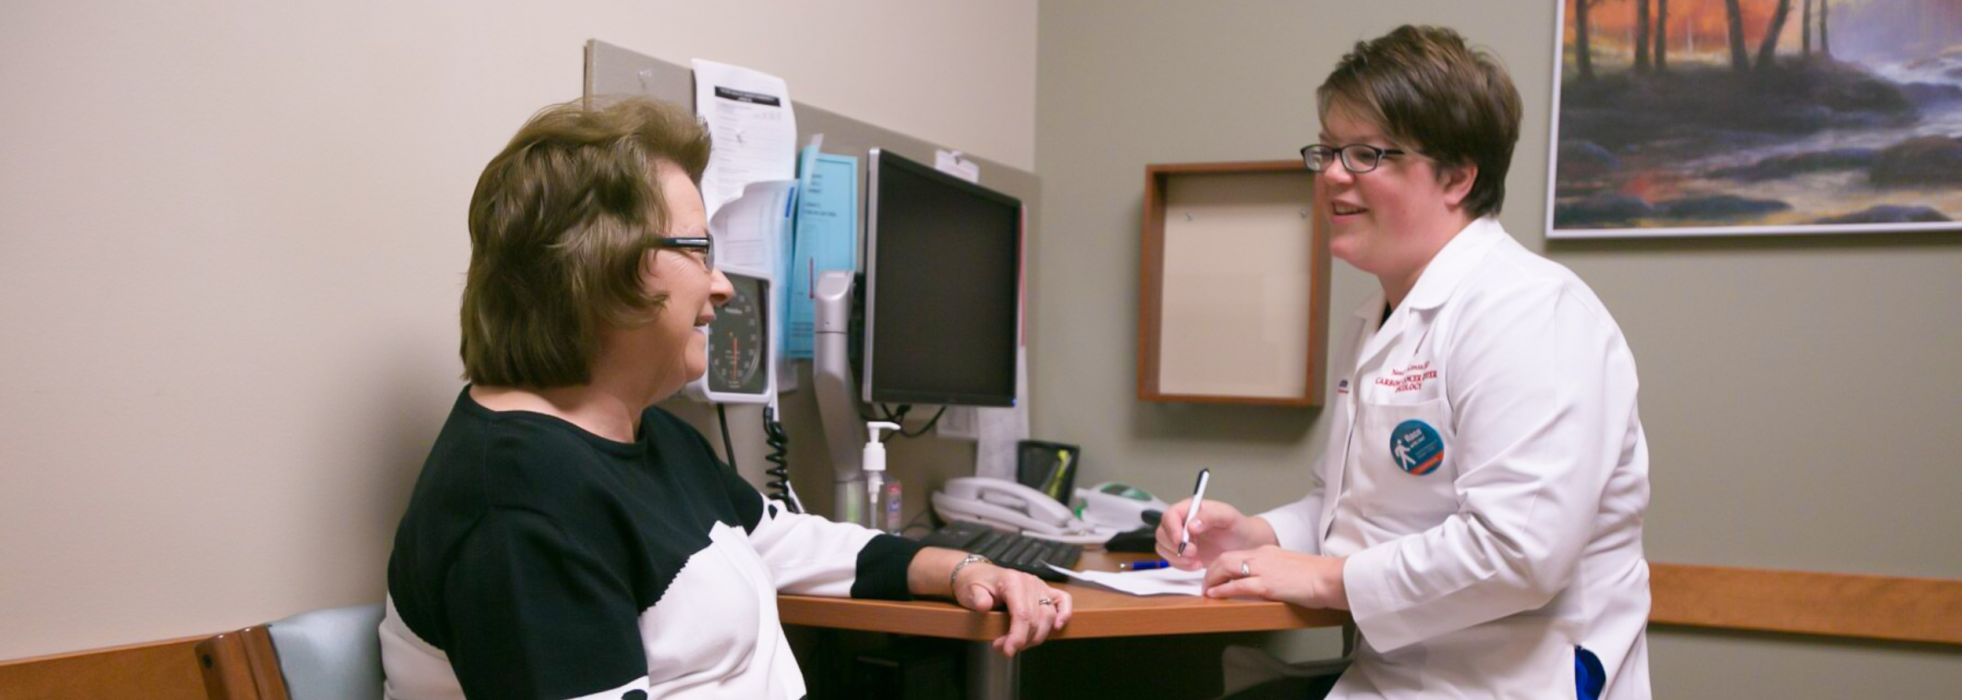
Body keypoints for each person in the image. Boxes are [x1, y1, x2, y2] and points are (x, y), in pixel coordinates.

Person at [379, 97, 1070, 700]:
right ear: (599, 262)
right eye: (700, 251)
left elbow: (779, 540)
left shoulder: (646, 438)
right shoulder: (516, 501)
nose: (723, 287)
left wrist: (963, 567)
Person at [1157, 26, 1651, 699]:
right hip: (1398, 676)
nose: (1332, 174)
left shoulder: (1531, 313)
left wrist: (1324, 579)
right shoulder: (1381, 318)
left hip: (1510, 683)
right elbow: (1349, 510)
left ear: (1458, 176)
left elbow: (1518, 554)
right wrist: (1254, 533)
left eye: (1366, 154)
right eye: (1328, 151)